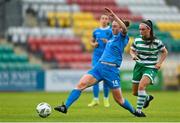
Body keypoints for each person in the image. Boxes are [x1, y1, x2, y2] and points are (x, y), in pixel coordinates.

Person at [54, 7, 143, 117]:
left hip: (111, 70)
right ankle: (65, 107)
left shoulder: (122, 37)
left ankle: (134, 111)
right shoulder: (111, 38)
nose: (112, 28)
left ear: (120, 28)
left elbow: (125, 28)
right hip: (99, 67)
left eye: (115, 26)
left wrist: (114, 15)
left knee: (119, 100)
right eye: (112, 26)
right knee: (80, 85)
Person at [130, 20, 168, 117]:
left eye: (143, 29)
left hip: (151, 67)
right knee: (135, 92)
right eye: (139, 29)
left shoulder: (157, 42)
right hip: (139, 66)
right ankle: (146, 97)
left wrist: (159, 63)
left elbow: (165, 52)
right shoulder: (137, 39)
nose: (140, 31)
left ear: (149, 29)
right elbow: (131, 50)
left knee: (141, 87)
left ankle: (138, 111)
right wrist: (133, 55)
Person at [88, 14, 113, 107]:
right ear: (100, 19)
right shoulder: (96, 31)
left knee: (105, 79)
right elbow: (91, 41)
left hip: (106, 57)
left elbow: (114, 43)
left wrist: (108, 42)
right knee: (94, 78)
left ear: (108, 20)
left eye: (106, 18)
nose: (104, 20)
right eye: (102, 18)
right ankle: (95, 100)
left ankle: (106, 99)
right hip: (96, 57)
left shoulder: (110, 31)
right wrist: (93, 44)